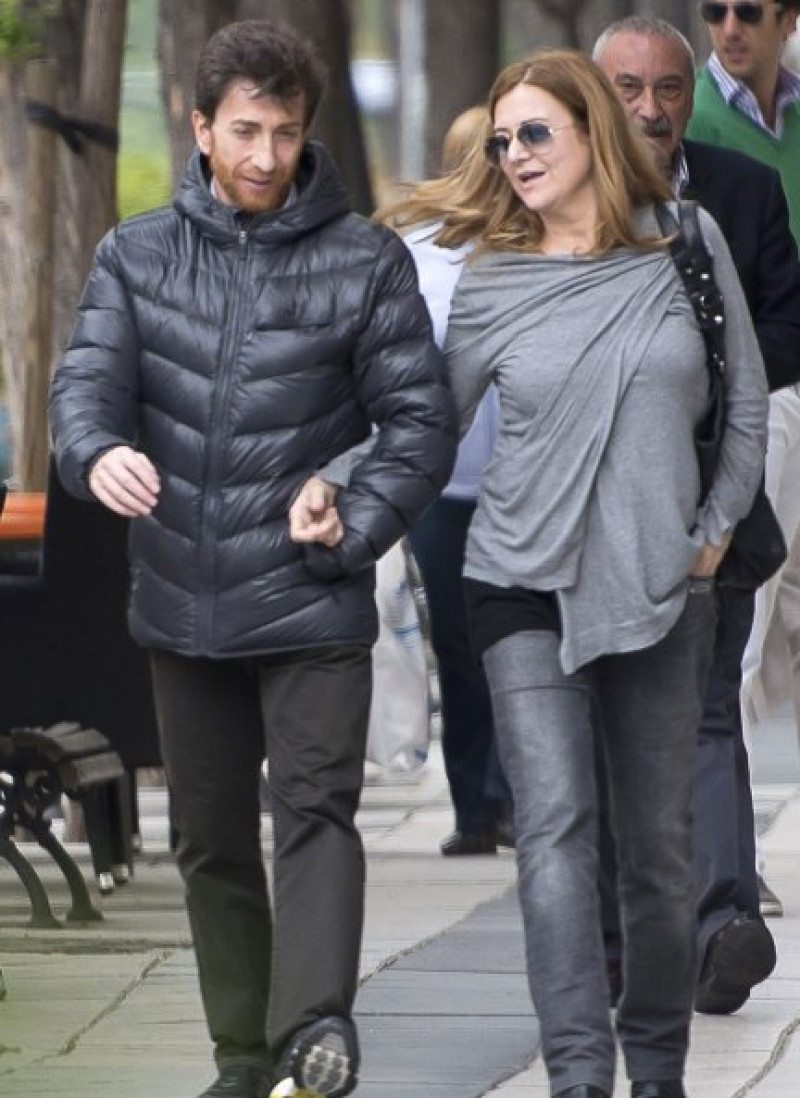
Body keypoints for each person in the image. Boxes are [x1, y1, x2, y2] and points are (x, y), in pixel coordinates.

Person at [48, 19, 456, 1098]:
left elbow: (420, 423)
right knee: (209, 840)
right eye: (244, 131)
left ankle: (315, 1032)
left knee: (313, 815)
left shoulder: (363, 260)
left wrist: (355, 512)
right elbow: (83, 388)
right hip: (184, 601)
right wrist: (99, 452)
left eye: (283, 131)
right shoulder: (135, 255)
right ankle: (244, 1058)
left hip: (313, 598)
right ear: (199, 127)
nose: (266, 156)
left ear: (307, 130)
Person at [384, 48, 767, 1098]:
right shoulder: (493, 279)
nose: (511, 155)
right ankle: (578, 1077)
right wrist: (335, 482)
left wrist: (713, 531)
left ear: (591, 130)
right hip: (520, 580)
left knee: (654, 855)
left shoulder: (688, 245)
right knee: (552, 833)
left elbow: (738, 403)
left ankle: (653, 1070)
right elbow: (426, 429)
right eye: (502, 140)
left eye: (532, 134)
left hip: (659, 586)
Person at [594, 14, 800, 1015]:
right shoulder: (547, 198)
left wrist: (703, 395)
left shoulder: (743, 192)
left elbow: (785, 328)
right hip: (588, 521)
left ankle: (723, 925)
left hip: (713, 498)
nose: (648, 107)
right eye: (626, 87)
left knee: (708, 711)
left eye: (665, 88)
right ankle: (618, 939)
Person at [687, 0, 800, 924]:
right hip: (757, 404)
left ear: (789, 19)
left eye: (750, 11)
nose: (730, 26)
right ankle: (731, 852)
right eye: (715, 9)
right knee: (744, 624)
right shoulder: (681, 121)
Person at [404, 106, 514, 856]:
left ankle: (520, 798)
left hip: (528, 485)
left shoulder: (541, 245)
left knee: (520, 642)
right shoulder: (417, 255)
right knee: (459, 647)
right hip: (445, 489)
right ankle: (476, 806)